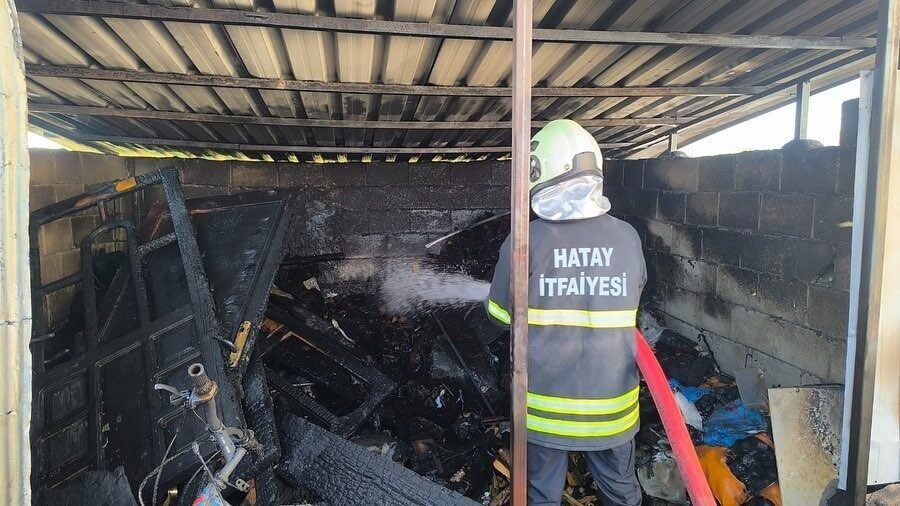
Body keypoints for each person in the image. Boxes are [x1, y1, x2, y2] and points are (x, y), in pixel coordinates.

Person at [486, 119, 646, 505]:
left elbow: (499, 316)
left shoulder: (525, 239)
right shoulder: (627, 236)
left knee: (541, 494)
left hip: (544, 410)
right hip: (614, 408)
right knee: (622, 491)